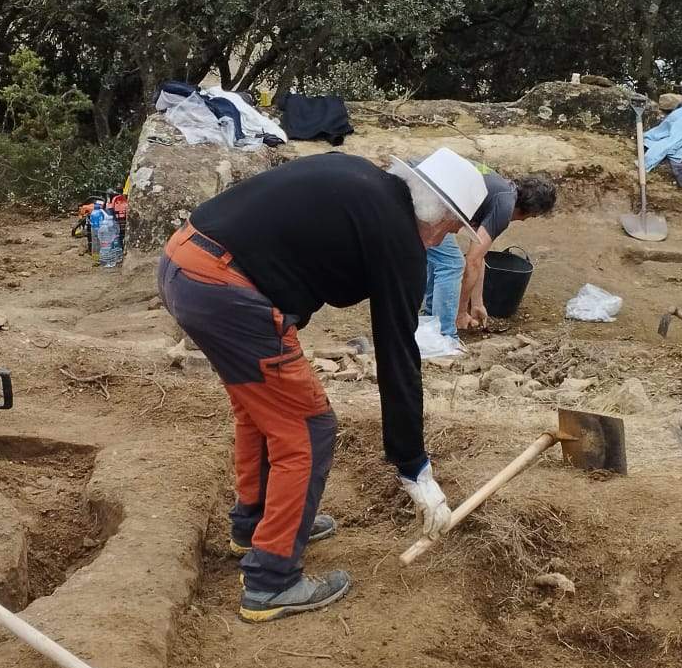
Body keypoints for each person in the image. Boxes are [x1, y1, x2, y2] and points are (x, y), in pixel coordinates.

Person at [158, 147, 486, 624]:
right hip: (225, 288)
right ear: (435, 211)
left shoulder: (362, 176)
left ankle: (254, 527)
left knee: (261, 411)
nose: (447, 238)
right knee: (308, 428)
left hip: (184, 262)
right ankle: (272, 580)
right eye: (453, 226)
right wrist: (415, 468)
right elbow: (398, 356)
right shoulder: (397, 235)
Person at [424, 168, 558, 335]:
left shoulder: (500, 188)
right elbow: (471, 261)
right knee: (452, 264)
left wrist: (478, 303)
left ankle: (431, 320)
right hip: (425, 202)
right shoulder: (504, 207)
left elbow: (478, 257)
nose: (523, 221)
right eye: (530, 217)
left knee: (443, 258)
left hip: (425, 195)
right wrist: (460, 313)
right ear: (531, 209)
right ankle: (444, 334)